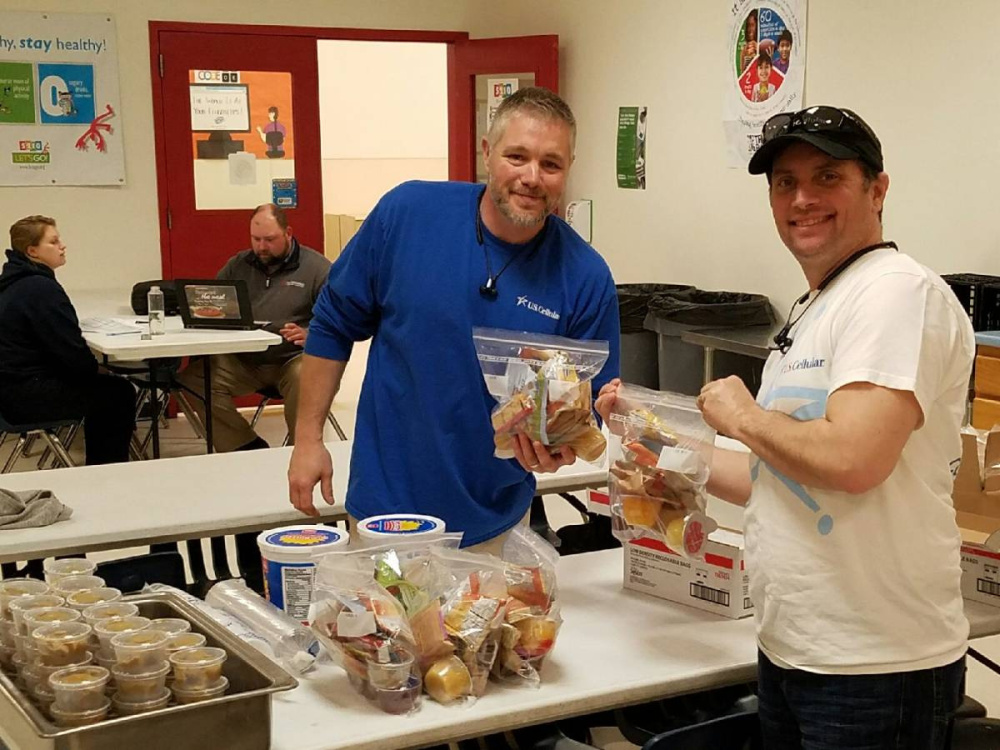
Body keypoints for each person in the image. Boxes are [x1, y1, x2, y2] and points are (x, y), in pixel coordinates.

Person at [600, 106, 971, 748]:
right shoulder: (819, 304)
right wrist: (652, 435)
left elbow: (854, 459)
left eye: (828, 178)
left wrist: (743, 416)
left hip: (877, 666)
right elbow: (769, 475)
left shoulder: (896, 294)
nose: (802, 199)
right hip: (794, 648)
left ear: (877, 189)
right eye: (784, 182)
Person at [288, 86, 620, 552]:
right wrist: (307, 441)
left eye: (550, 164)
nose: (531, 177)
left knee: (491, 626)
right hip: (386, 510)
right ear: (487, 152)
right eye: (516, 157)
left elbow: (591, 410)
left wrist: (558, 452)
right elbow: (331, 324)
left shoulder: (585, 276)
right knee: (381, 626)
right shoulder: (408, 215)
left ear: (568, 170)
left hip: (496, 516)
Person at [178, 203, 330, 452]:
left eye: (270, 239)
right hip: (244, 359)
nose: (262, 247)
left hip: (291, 358)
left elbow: (339, 317)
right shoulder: (238, 265)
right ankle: (244, 446)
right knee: (194, 379)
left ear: (288, 233)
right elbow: (214, 303)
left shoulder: (317, 268)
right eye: (256, 239)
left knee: (307, 375)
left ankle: (300, 449)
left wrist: (312, 333)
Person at [0, 215, 135, 465]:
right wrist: (98, 369)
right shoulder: (40, 289)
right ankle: (106, 471)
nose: (62, 246)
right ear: (33, 251)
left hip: (10, 389)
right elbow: (70, 352)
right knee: (118, 393)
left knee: (107, 387)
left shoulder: (13, 282)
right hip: (25, 395)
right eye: (53, 241)